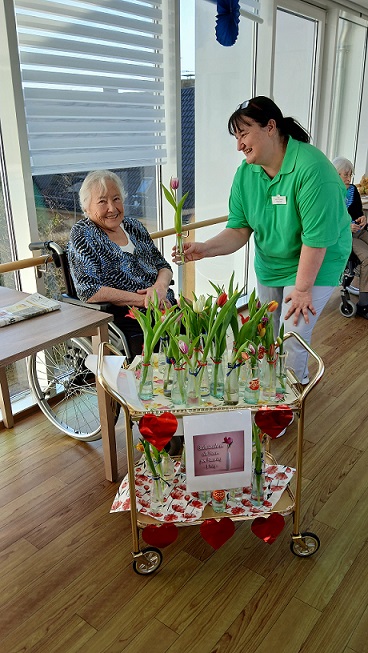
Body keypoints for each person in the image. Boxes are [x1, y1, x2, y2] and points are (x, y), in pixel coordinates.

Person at [173, 96, 352, 384]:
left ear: (271, 127)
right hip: (272, 261)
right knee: (265, 331)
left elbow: (316, 240)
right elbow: (239, 229)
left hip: (317, 261)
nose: (239, 145)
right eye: (236, 136)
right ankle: (279, 386)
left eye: (243, 133)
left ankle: (286, 404)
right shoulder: (247, 173)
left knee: (292, 334)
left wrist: (303, 290)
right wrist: (205, 249)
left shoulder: (313, 170)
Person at [67, 169, 176, 358]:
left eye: (116, 198)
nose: (112, 208)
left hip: (163, 306)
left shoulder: (134, 226)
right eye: (102, 201)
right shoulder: (83, 234)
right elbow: (89, 290)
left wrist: (159, 287)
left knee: (205, 329)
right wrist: (144, 300)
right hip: (127, 318)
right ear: (87, 208)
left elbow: (163, 265)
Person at [332, 157, 368, 319]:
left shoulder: (353, 190)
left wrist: (363, 219)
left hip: (359, 231)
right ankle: (364, 304)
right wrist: (346, 227)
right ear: (335, 174)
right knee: (367, 258)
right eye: (345, 174)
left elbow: (358, 212)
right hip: (344, 236)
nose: (348, 178)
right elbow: (327, 221)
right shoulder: (329, 193)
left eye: (350, 174)